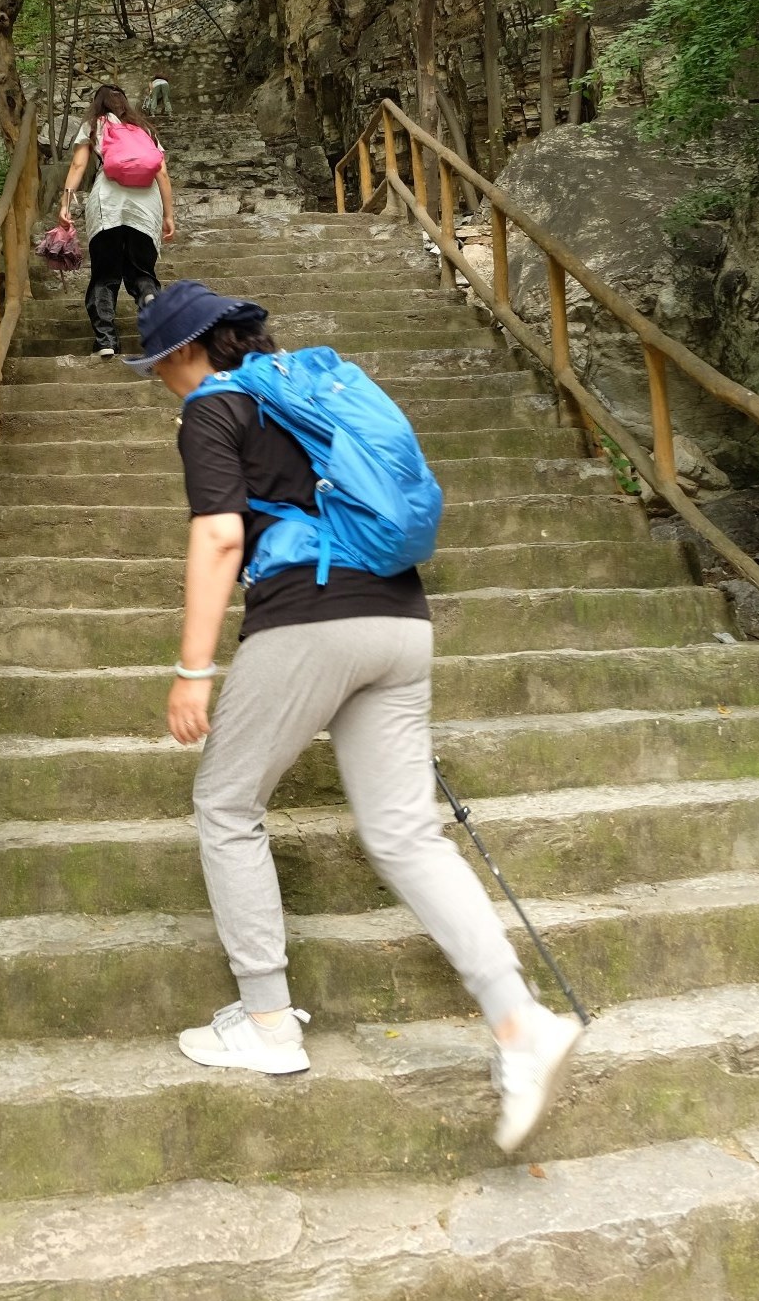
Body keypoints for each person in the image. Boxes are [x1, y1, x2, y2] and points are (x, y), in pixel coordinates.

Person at [126, 280, 586, 1155]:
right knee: (407, 833)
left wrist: (193, 669)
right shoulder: (312, 392)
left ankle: (266, 1022)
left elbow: (221, 537)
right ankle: (518, 1023)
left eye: (158, 364)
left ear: (186, 351)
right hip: (400, 623)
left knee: (226, 805)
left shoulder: (212, 411)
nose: (159, 379)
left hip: (311, 618)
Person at [59, 84, 175, 358]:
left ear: (98, 104)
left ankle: (105, 340)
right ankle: (149, 300)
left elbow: (78, 166)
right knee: (142, 272)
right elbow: (162, 174)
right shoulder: (145, 130)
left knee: (105, 273)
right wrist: (168, 215)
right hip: (146, 206)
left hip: (107, 204)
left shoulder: (93, 126)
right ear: (125, 103)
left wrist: (65, 203)